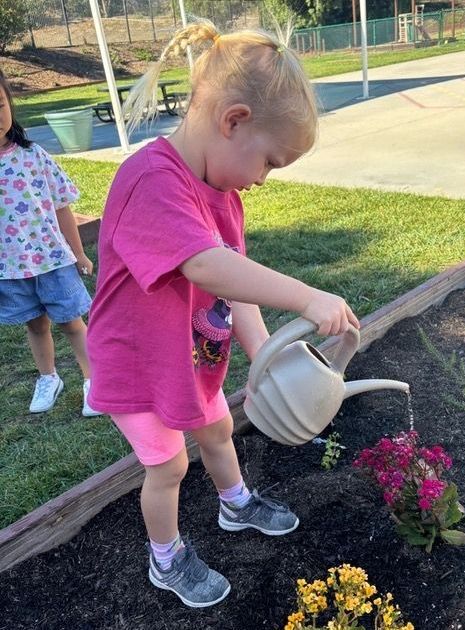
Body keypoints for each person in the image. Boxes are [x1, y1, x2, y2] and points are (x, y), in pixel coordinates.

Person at [86, 19, 360, 609]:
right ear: (233, 120)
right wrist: (309, 298)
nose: (263, 179)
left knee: (217, 430)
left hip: (188, 356)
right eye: (269, 162)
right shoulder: (151, 180)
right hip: (136, 368)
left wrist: (266, 359)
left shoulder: (224, 197)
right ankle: (167, 558)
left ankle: (235, 504)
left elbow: (236, 289)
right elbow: (206, 268)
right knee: (169, 467)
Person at [0, 69, 101, 417]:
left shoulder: (33, 156)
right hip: (10, 268)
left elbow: (62, 207)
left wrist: (79, 253)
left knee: (72, 322)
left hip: (53, 260)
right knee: (35, 324)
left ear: (9, 104)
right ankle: (49, 378)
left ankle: (94, 382)